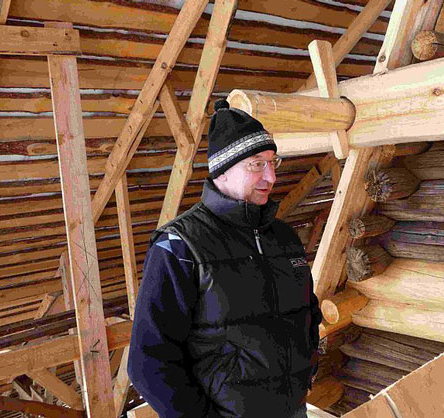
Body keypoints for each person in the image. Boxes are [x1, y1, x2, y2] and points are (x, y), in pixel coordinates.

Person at [128, 99, 322, 418]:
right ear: (223, 170)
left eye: (273, 162)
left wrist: (307, 370)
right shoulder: (180, 246)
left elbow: (308, 313)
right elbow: (149, 363)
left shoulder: (284, 237)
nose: (271, 177)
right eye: (257, 164)